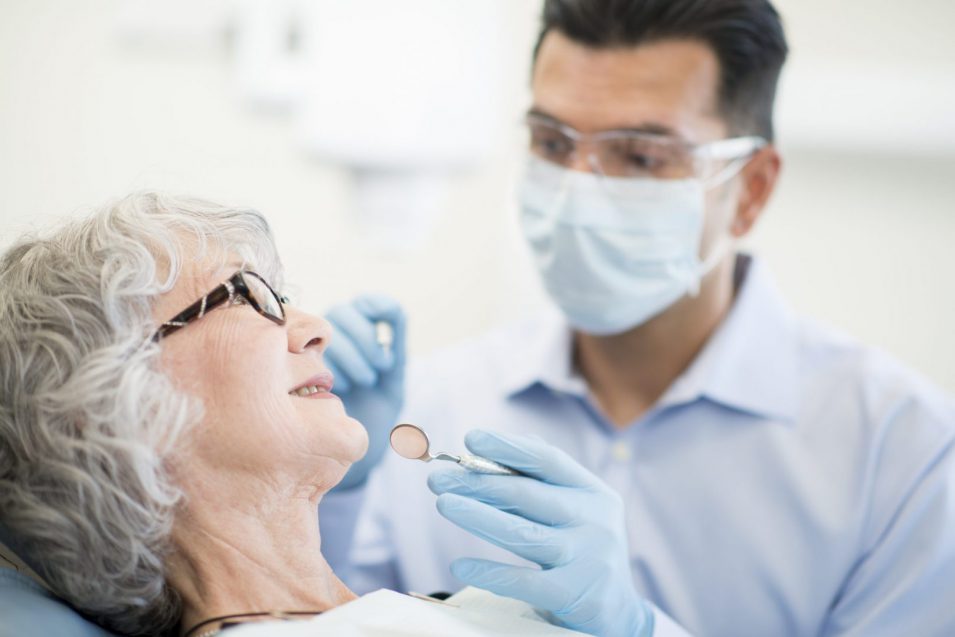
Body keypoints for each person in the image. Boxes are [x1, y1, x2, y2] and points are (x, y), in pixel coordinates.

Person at [319, 1, 955, 636]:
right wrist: (328, 481)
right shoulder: (433, 405)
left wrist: (637, 630)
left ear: (751, 190)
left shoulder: (902, 454)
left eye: (642, 157)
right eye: (551, 142)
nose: (577, 192)